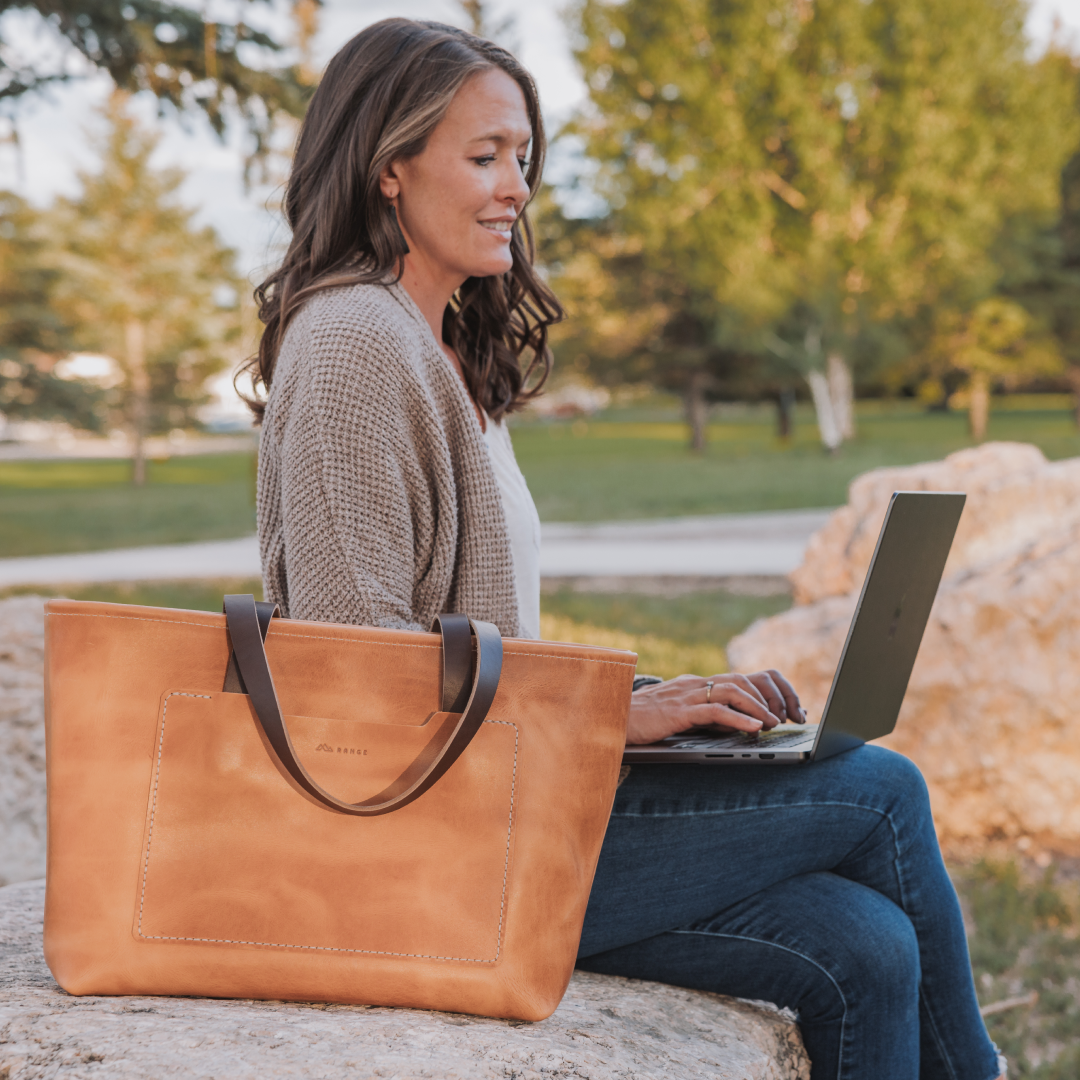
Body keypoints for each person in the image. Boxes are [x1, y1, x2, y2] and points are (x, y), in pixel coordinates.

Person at [245, 18, 1005, 1080]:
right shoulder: (352, 346)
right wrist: (610, 714)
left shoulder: (443, 350)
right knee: (880, 791)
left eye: (523, 157)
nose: (516, 186)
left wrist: (649, 701)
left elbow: (486, 646)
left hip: (510, 794)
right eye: (483, 157)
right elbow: (356, 679)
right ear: (388, 170)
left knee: (862, 946)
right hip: (432, 844)